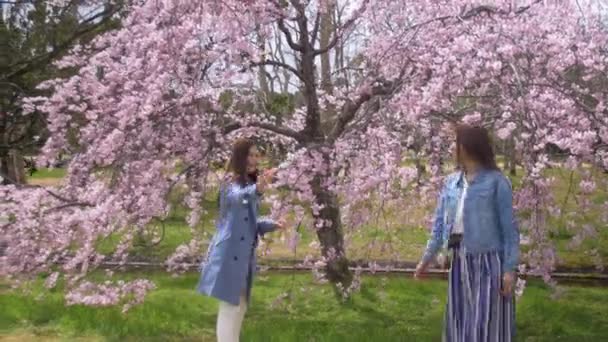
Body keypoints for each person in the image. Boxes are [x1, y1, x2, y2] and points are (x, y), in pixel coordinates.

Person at [415, 124, 519, 342]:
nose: (454, 148)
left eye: (457, 143)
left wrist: (509, 269)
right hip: (460, 261)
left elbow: (510, 230)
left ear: (468, 146)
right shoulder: (452, 183)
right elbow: (440, 225)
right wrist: (426, 259)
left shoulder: (497, 182)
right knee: (460, 321)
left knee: (487, 324)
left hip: (490, 262)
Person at [197, 138, 285, 342]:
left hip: (244, 256)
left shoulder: (248, 184)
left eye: (256, 155)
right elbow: (239, 199)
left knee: (241, 306)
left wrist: (272, 224)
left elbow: (248, 221)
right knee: (230, 307)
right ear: (240, 156)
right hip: (229, 255)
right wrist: (258, 190)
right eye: (250, 154)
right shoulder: (231, 182)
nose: (254, 159)